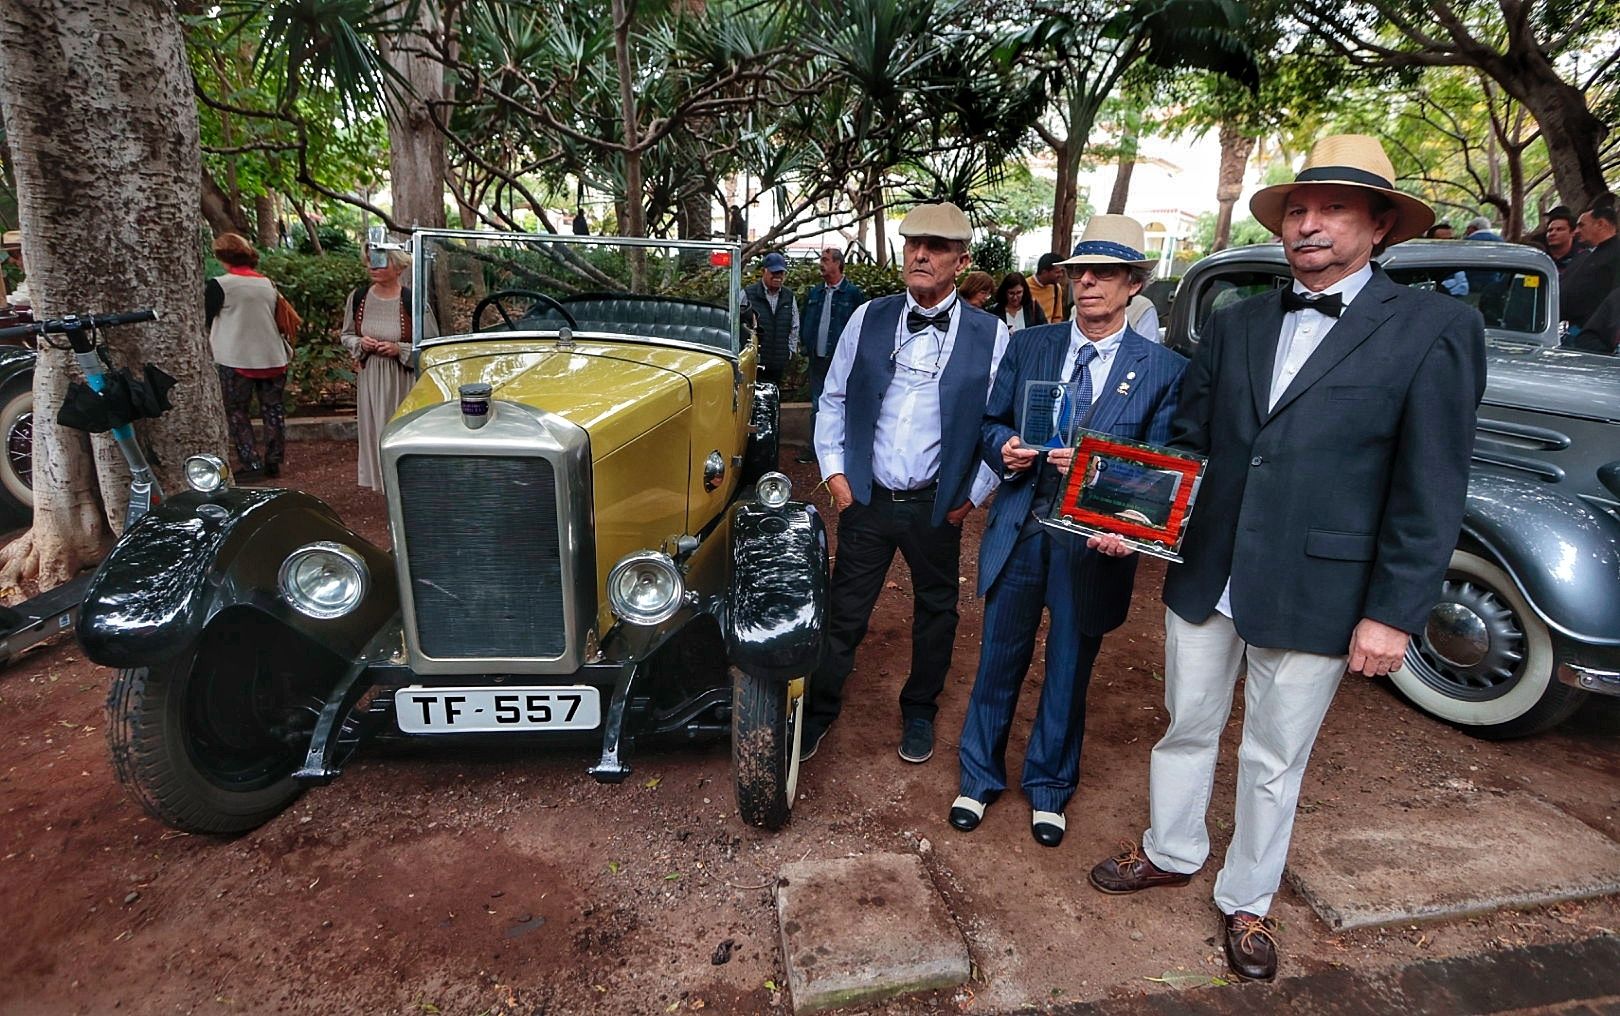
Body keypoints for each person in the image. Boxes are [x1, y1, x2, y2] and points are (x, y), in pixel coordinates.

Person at [1085, 134, 1485, 983]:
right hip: (1207, 575)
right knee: (1186, 725)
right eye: (1297, 209)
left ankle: (1248, 900)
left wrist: (1394, 612)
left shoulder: (1435, 329)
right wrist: (1136, 515)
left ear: (1380, 226)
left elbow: (1431, 487)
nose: (1308, 225)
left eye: (1333, 209)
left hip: (1321, 588)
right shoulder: (1235, 324)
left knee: (1273, 757)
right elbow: (1191, 444)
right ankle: (1172, 847)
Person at [952, 215, 1185, 847]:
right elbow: (990, 422)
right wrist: (1006, 450)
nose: (1087, 283)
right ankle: (977, 777)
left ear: (1134, 284)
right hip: (1022, 523)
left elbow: (1157, 468)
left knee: (1069, 667)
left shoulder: (1163, 369)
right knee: (998, 657)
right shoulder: (1030, 345)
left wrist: (1125, 530)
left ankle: (1050, 787)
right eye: (1080, 271)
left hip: (1093, 543)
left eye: (1105, 273)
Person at [806, 201, 1011, 765]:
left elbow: (1000, 421)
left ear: (961, 261)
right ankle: (820, 712)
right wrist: (837, 478)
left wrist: (971, 497)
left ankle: (919, 711)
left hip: (935, 505)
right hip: (867, 499)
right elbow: (834, 397)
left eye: (937, 247)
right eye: (913, 242)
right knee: (845, 609)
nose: (921, 253)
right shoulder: (867, 317)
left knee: (936, 612)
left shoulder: (992, 335)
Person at [206, 232, 292, 480]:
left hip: (236, 356)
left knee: (236, 411)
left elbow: (205, 318)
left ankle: (251, 462)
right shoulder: (266, 283)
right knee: (273, 409)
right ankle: (274, 460)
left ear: (222, 257)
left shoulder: (220, 285)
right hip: (273, 355)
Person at [341, 243, 420, 493]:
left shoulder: (412, 300)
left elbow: (429, 344)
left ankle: (406, 486)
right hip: (371, 377)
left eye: (380, 261)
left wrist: (401, 350)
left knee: (400, 431)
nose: (372, 267)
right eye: (370, 261)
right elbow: (346, 335)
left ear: (398, 267)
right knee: (376, 431)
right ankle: (384, 487)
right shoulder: (359, 297)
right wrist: (360, 342)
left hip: (402, 379)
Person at [799, 248, 867, 463]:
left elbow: (862, 325)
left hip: (841, 361)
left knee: (840, 403)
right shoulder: (815, 293)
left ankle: (840, 450)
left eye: (826, 260)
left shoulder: (852, 294)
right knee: (817, 403)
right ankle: (815, 448)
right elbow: (805, 319)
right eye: (821, 259)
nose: (821, 264)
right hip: (817, 357)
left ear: (838, 264)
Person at [1560, 201, 1620, 334]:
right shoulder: (1585, 255)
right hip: (1571, 328)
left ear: (1600, 224)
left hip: (1596, 335)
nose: (1576, 231)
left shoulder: (1616, 255)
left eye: (1581, 226)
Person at [743, 252, 798, 386]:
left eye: (781, 273)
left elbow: (794, 325)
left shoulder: (789, 296)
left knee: (774, 399)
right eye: (774, 272)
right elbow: (738, 324)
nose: (778, 276)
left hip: (778, 362)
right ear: (764, 271)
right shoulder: (748, 294)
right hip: (754, 362)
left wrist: (790, 351)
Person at [1027, 252, 1070, 324]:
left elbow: (1057, 316)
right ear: (1044, 272)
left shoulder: (1056, 288)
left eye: (1062, 271)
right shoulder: (1024, 287)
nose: (1061, 275)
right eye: (1057, 272)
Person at [1542, 208, 1580, 274]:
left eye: (1559, 229)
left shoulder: (1583, 258)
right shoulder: (1541, 257)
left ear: (1572, 232)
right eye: (1550, 230)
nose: (1552, 233)